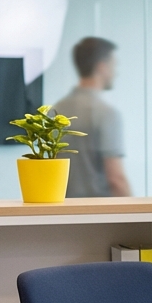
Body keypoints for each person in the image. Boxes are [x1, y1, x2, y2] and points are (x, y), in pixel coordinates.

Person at [57, 36, 130, 197]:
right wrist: (139, 219)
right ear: (102, 67)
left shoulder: (55, 111)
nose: (115, 73)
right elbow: (116, 180)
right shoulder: (107, 114)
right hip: (100, 216)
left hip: (61, 215)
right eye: (114, 66)